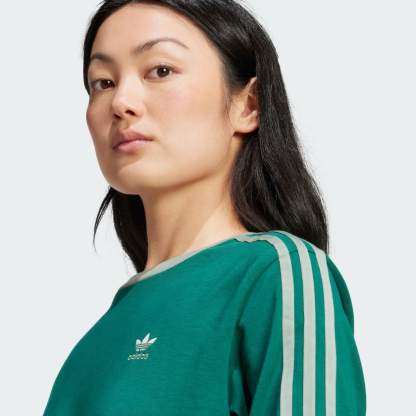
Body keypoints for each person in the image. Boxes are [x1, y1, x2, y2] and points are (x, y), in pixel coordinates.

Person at [43, 1, 366, 415]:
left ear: (248, 105)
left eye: (161, 70)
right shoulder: (91, 348)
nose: (121, 101)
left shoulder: (278, 272)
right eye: (103, 82)